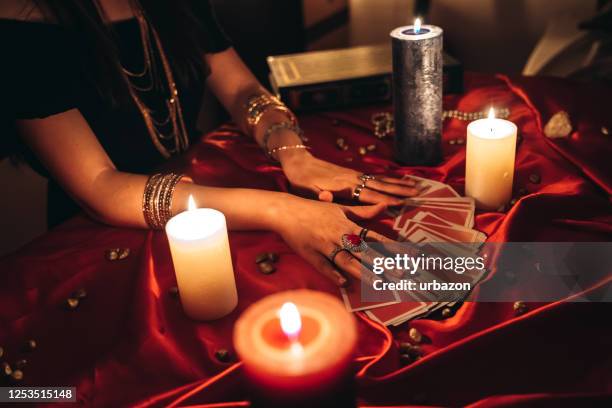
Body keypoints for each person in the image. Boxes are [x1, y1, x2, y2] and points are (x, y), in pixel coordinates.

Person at [0, 0, 419, 286]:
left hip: (208, 188)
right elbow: (100, 188)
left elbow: (240, 90)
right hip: (99, 235)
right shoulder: (22, 26)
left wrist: (295, 155)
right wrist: (281, 209)